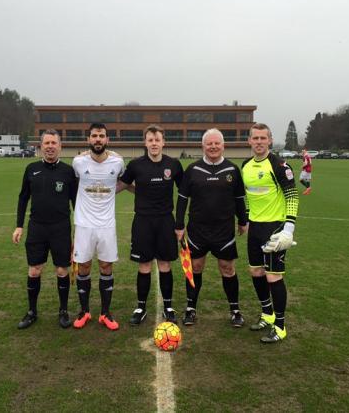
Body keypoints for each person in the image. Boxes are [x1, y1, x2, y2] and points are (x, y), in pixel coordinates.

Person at [174, 128, 249, 327]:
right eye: (209, 144)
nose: (213, 147)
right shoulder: (193, 169)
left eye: (217, 143)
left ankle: (235, 310)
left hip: (224, 231)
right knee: (196, 267)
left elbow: (240, 198)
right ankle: (190, 308)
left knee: (228, 268)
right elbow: (182, 199)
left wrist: (243, 220)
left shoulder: (232, 170)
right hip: (198, 230)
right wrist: (179, 225)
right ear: (203, 146)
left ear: (223, 146)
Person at [119, 125, 184, 325]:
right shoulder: (136, 165)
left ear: (163, 142)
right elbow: (121, 184)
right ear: (145, 142)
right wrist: (95, 193)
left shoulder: (173, 165)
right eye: (150, 140)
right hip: (143, 221)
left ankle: (168, 306)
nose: (154, 143)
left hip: (166, 221)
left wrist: (181, 223)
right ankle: (140, 307)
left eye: (157, 140)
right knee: (144, 264)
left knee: (165, 264)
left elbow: (184, 192)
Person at [13, 129, 78, 329]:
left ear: (60, 146)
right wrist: (19, 225)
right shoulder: (31, 169)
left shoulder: (68, 172)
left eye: (54, 143)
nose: (50, 146)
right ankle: (32, 311)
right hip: (37, 228)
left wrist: (79, 231)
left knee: (61, 270)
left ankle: (63, 311)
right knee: (34, 270)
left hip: (61, 228)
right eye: (46, 143)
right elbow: (23, 197)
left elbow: (77, 203)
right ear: (41, 146)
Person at [241, 123, 299, 343]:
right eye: (255, 138)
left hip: (274, 227)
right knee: (255, 272)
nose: (258, 142)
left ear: (270, 140)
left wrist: (289, 228)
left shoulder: (279, 165)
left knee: (273, 275)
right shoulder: (246, 166)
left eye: (262, 138)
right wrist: (246, 218)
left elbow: (292, 195)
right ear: (249, 141)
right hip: (255, 227)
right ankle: (267, 314)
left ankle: (281, 326)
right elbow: (248, 196)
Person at [71, 123, 125, 331]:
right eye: (94, 136)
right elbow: (73, 185)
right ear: (88, 139)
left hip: (106, 225)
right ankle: (84, 312)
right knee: (83, 267)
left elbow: (125, 182)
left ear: (107, 139)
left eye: (101, 136)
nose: (98, 139)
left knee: (106, 266)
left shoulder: (118, 162)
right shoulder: (78, 162)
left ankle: (105, 313)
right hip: (84, 225)